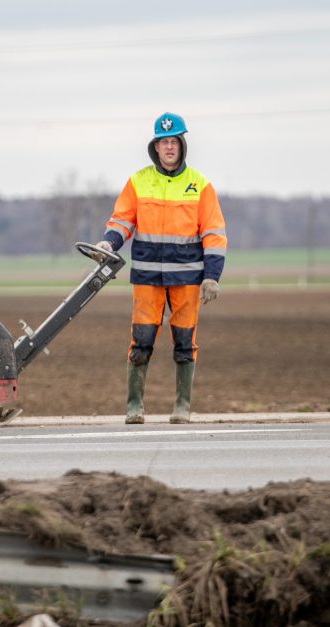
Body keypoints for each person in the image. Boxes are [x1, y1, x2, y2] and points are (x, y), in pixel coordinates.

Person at [94, 112, 227, 424]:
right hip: (147, 277)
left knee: (184, 343)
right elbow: (122, 220)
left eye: (173, 142)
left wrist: (212, 276)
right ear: (155, 147)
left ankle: (182, 406)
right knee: (140, 341)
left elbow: (214, 233)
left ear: (182, 145)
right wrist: (108, 243)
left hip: (187, 278)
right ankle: (134, 406)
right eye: (163, 142)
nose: (169, 148)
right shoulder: (139, 182)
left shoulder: (200, 185)